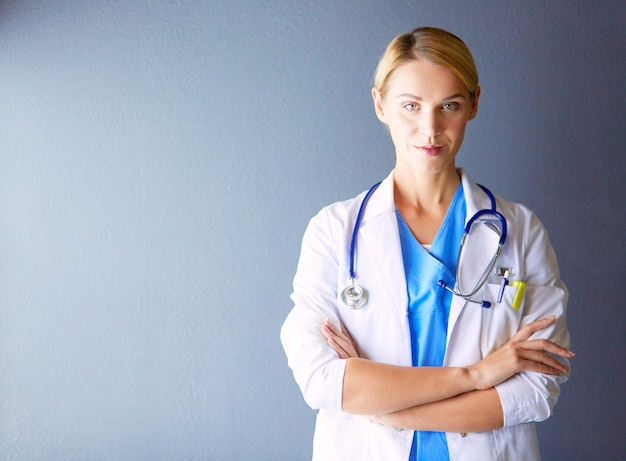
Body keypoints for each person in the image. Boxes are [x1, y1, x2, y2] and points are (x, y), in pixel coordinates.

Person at [280, 26, 572, 461]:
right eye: (411, 106)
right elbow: (322, 380)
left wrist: (389, 410)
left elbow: (536, 389)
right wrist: (477, 375)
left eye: (449, 106)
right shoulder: (333, 232)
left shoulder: (521, 231)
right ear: (380, 104)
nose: (430, 128)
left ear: (473, 103)